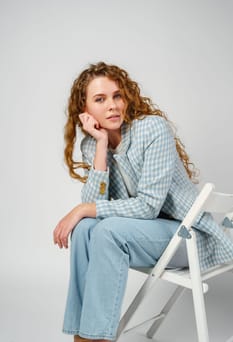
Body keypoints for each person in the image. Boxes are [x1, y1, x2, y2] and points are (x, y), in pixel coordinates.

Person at [53, 62, 233, 342]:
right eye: (100, 99)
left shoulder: (152, 129)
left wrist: (84, 209)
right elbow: (93, 212)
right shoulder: (91, 145)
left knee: (106, 230)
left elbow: (148, 206)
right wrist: (101, 144)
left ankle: (97, 337)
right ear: (85, 110)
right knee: (85, 229)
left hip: (187, 238)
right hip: (149, 236)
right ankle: (84, 335)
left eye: (117, 96)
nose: (112, 105)